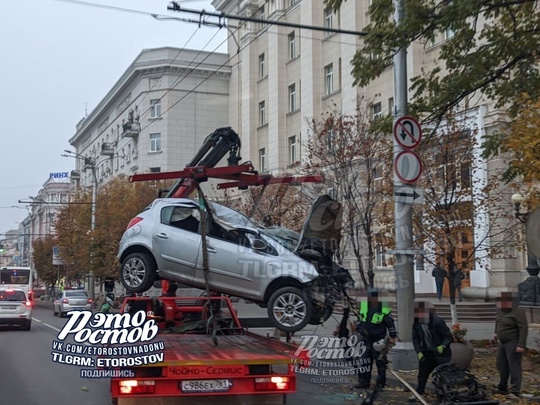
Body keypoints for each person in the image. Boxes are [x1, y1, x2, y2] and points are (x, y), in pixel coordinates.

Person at [409, 301, 453, 401]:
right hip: (427, 352)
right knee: (422, 374)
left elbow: (448, 336)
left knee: (443, 375)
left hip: (440, 353)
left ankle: (446, 395)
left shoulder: (437, 322)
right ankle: (419, 393)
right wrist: (419, 351)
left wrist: (443, 346)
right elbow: (415, 339)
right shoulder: (416, 323)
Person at [354, 289, 397, 391]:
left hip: (378, 340)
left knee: (380, 363)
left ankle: (380, 384)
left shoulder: (383, 308)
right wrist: (357, 328)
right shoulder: (364, 306)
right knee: (365, 362)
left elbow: (390, 323)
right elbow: (361, 319)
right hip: (366, 339)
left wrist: (392, 336)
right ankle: (364, 383)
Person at [493, 291, 528, 398]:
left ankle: (515, 390)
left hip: (513, 342)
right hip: (502, 342)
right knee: (501, 364)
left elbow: (523, 328)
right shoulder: (500, 310)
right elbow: (498, 321)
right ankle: (502, 387)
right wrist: (496, 333)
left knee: (514, 366)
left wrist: (521, 345)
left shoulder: (518, 311)